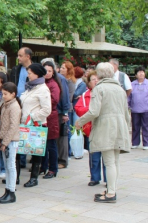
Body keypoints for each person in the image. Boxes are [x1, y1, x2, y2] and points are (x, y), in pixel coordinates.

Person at [75, 62, 130, 203]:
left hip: (106, 127)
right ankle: (112, 189)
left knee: (109, 161)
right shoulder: (120, 89)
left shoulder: (99, 89)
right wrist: (127, 128)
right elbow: (126, 113)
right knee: (115, 161)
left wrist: (80, 121)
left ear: (99, 74)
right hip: (120, 126)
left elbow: (94, 111)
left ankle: (111, 193)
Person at [19, 63, 51, 187]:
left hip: (36, 125)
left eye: (30, 73)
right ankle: (16, 177)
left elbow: (46, 109)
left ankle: (34, 178)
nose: (28, 75)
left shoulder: (43, 89)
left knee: (35, 152)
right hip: (25, 125)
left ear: (37, 74)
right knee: (20, 150)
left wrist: (31, 117)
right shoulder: (30, 87)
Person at [74, 71, 106, 186]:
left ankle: (108, 179)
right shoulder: (85, 95)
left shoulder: (105, 93)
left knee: (107, 156)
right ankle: (95, 177)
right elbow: (78, 108)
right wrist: (91, 110)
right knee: (94, 155)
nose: (96, 81)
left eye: (97, 79)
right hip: (91, 129)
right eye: (93, 79)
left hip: (104, 128)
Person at [0, 82, 21, 204]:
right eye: (2, 94)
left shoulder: (14, 107)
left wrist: (5, 142)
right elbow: (2, 125)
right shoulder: (6, 105)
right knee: (7, 167)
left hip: (11, 141)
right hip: (5, 140)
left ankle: (11, 191)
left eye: (5, 94)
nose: (3, 96)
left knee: (11, 166)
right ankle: (7, 191)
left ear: (13, 94)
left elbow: (13, 126)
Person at [9, 47, 33, 169]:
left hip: (29, 103)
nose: (18, 58)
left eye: (20, 55)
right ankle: (19, 160)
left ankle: (25, 157)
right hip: (16, 101)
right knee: (17, 129)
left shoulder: (34, 69)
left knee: (26, 129)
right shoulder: (16, 70)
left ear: (27, 56)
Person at [128, 66, 148, 150]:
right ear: (135, 75)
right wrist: (127, 106)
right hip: (135, 109)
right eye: (139, 72)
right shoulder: (132, 84)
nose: (141, 74)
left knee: (146, 126)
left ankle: (147, 143)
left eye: (142, 72)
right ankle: (135, 142)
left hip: (147, 109)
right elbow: (129, 96)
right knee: (135, 126)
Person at [40, 61, 61, 179]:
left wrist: (42, 105)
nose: (47, 73)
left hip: (50, 117)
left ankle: (53, 168)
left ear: (53, 72)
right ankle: (43, 166)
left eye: (49, 71)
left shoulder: (53, 85)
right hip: (43, 116)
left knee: (51, 144)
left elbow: (54, 100)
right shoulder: (41, 83)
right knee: (42, 144)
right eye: (45, 70)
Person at [59, 61, 76, 168]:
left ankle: (68, 153)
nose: (61, 69)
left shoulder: (70, 82)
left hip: (67, 109)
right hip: (63, 107)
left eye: (63, 68)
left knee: (66, 131)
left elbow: (69, 97)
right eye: (61, 67)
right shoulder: (61, 79)